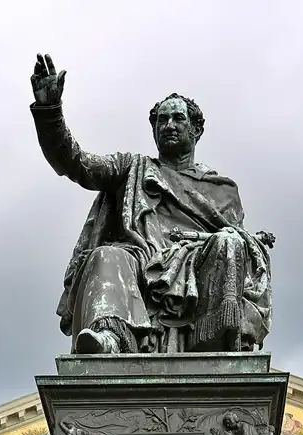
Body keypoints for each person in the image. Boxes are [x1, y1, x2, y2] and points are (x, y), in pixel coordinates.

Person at [30, 53, 274, 354]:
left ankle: (215, 340)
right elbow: (75, 162)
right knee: (107, 255)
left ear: (197, 130)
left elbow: (241, 243)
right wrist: (49, 111)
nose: (169, 125)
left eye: (178, 118)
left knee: (229, 242)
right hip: (140, 258)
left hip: (200, 264)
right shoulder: (131, 168)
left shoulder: (222, 190)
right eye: (162, 120)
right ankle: (110, 337)